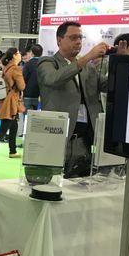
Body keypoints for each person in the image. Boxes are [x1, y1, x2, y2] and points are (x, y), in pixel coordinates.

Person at [37, 21, 109, 178]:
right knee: (52, 183)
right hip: (56, 139)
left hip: (84, 141)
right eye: (73, 37)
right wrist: (88, 57)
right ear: (59, 40)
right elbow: (53, 79)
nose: (78, 42)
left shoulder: (88, 67)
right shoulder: (47, 62)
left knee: (81, 185)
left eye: (80, 38)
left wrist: (120, 59)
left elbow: (108, 85)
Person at [0, 47, 25, 158]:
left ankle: (12, 151)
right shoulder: (15, 69)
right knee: (3, 130)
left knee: (13, 127)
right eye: (18, 53)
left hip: (6, 100)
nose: (20, 55)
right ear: (14, 55)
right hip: (11, 102)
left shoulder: (6, 68)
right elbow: (22, 86)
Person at [21, 43, 43, 113]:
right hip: (38, 95)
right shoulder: (43, 64)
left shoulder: (28, 64)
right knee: (34, 116)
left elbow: (23, 79)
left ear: (31, 53)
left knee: (27, 116)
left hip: (27, 95)